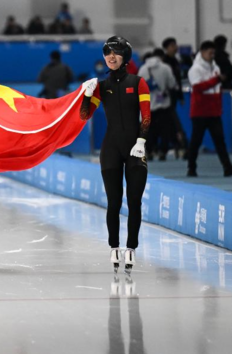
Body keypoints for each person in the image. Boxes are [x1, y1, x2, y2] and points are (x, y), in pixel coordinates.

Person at [79, 36, 151, 275]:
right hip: (110, 148)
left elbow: (146, 116)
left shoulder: (138, 83)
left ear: (125, 57)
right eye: (107, 53)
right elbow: (85, 115)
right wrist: (87, 96)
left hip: (135, 149)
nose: (111, 57)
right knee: (113, 202)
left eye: (116, 53)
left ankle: (131, 247)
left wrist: (141, 141)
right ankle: (114, 247)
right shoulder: (101, 86)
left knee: (134, 202)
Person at [187, 40, 232, 177]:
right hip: (200, 111)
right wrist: (217, 80)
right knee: (196, 142)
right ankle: (191, 167)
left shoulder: (215, 68)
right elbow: (198, 88)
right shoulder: (195, 69)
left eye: (213, 53)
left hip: (213, 111)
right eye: (210, 53)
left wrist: (219, 108)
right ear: (202, 52)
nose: (212, 55)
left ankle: (227, 167)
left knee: (220, 141)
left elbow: (216, 91)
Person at [138, 48, 177, 160]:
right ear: (162, 57)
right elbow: (172, 83)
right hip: (163, 105)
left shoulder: (143, 68)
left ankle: (149, 151)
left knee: (149, 130)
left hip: (147, 104)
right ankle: (162, 151)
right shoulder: (165, 68)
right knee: (164, 129)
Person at [162, 37, 188, 159]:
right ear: (166, 48)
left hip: (174, 96)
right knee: (171, 122)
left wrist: (180, 96)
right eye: (172, 45)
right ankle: (179, 145)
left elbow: (178, 81)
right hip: (166, 96)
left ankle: (174, 146)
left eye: (175, 45)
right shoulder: (164, 62)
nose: (175, 47)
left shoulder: (176, 61)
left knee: (170, 122)